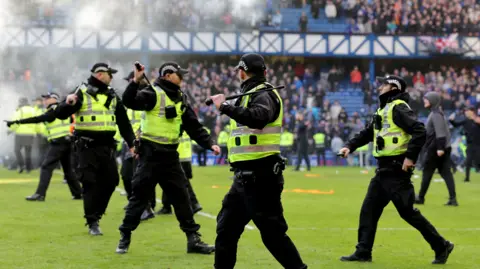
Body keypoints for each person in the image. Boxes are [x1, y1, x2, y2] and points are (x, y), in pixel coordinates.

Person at [338, 75, 454, 264]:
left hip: (396, 170)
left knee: (407, 213)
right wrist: (349, 146)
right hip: (384, 170)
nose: (380, 86)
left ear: (393, 88)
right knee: (369, 210)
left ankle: (441, 245)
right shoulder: (384, 109)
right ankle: (363, 251)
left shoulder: (398, 107)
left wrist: (409, 157)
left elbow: (419, 130)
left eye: (384, 84)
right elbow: (368, 133)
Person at [209, 53, 307, 269]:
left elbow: (259, 118)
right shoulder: (252, 93)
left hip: (261, 178)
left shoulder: (263, 94)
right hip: (244, 178)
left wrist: (224, 107)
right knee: (225, 229)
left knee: (272, 235)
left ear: (242, 72)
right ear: (264, 71)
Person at [116, 61, 220, 255]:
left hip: (171, 157)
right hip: (150, 156)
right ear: (168, 75)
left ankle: (193, 241)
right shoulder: (152, 93)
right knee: (139, 199)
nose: (183, 77)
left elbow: (193, 126)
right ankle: (125, 236)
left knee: (182, 200)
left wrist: (209, 143)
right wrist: (135, 81)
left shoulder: (181, 97)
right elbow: (129, 101)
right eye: (179, 74)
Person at [55, 63, 136, 236]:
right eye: (109, 74)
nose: (112, 77)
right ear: (100, 75)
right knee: (90, 183)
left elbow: (124, 123)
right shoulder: (81, 92)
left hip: (107, 147)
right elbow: (60, 114)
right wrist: (67, 104)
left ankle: (96, 214)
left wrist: (132, 144)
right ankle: (92, 221)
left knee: (111, 181)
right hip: (86, 146)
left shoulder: (113, 95)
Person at [5, 92, 82, 201]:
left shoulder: (54, 110)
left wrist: (16, 122)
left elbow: (37, 119)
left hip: (58, 142)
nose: (45, 101)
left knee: (46, 167)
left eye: (47, 98)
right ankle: (78, 193)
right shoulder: (63, 108)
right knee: (68, 170)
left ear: (54, 99)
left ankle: (40, 194)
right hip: (67, 141)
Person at [415, 92, 457, 206]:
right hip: (440, 147)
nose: (425, 101)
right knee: (445, 173)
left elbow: (440, 133)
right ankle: (453, 199)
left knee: (427, 172)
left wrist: (440, 148)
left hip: (436, 148)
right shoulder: (436, 113)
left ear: (432, 101)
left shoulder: (436, 114)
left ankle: (421, 197)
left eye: (427, 99)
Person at [157, 131, 202, 215]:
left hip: (177, 155)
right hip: (185, 156)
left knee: (181, 181)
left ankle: (194, 203)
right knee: (167, 179)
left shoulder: (174, 123)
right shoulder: (184, 122)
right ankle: (166, 206)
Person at [449, 107, 480, 182]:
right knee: (468, 161)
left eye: (467, 111)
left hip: (478, 144)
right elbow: (456, 125)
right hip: (470, 144)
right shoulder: (466, 121)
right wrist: (451, 120)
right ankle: (467, 178)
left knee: (478, 161)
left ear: (472, 112)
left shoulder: (477, 119)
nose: (465, 112)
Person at [8, 97, 37, 173]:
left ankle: (21, 165)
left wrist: (10, 130)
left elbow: (15, 121)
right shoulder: (33, 110)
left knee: (17, 150)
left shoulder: (19, 110)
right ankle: (28, 168)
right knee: (28, 151)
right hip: (30, 134)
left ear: (20, 102)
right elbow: (37, 121)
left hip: (20, 133)